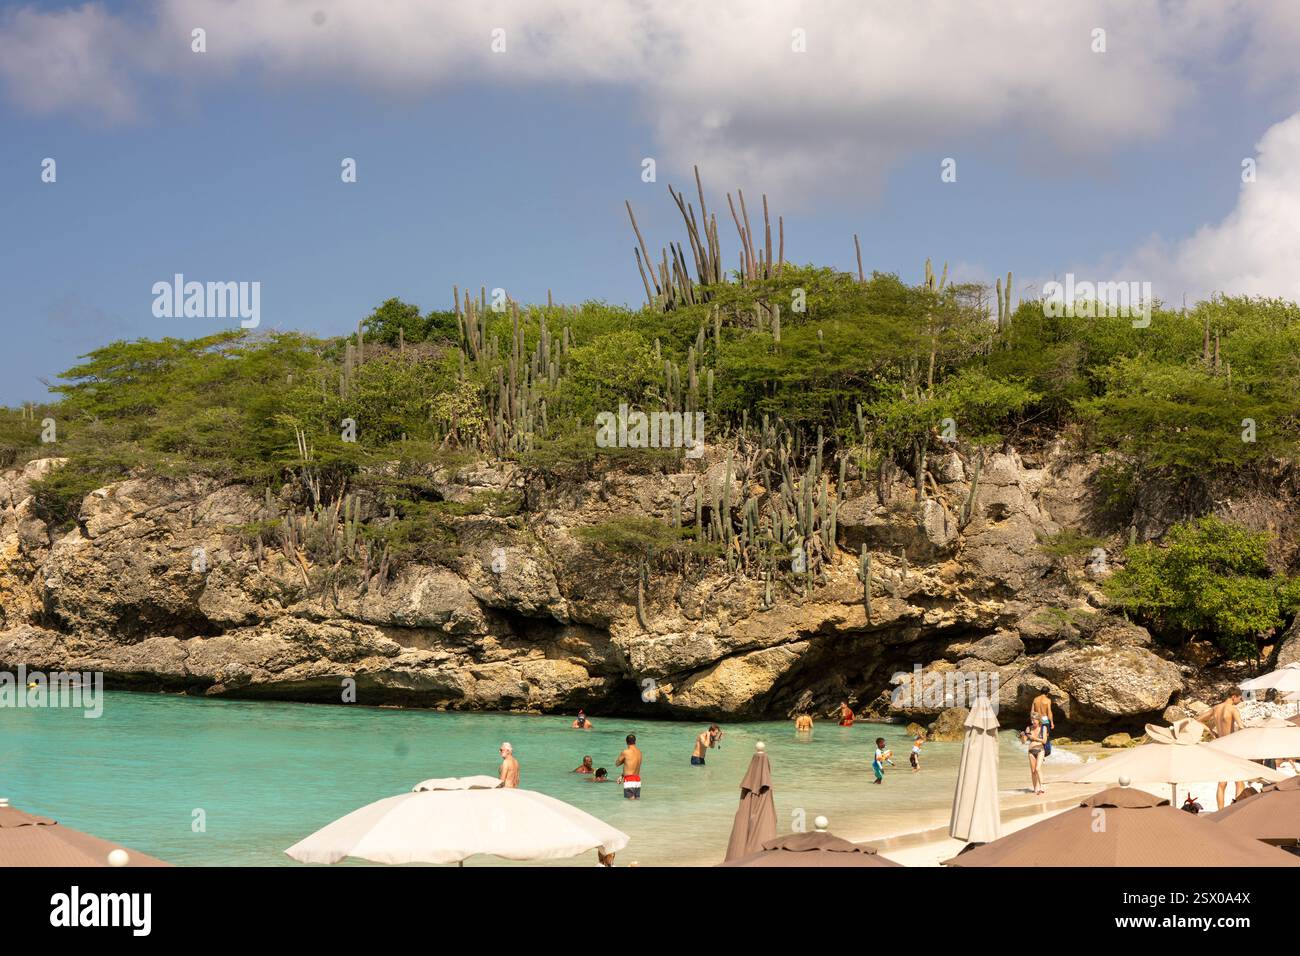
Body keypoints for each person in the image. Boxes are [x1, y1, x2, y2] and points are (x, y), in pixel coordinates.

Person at [1195, 691, 1246, 809]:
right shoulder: (1233, 709)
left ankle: (1220, 811)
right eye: (1240, 698)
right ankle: (1238, 809)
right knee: (1239, 780)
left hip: (1220, 745)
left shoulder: (1216, 708)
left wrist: (1212, 732)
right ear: (1234, 697)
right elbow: (1241, 727)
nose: (1240, 700)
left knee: (1222, 783)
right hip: (1232, 746)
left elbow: (1197, 720)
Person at [1020, 716, 1047, 795]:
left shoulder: (1043, 728)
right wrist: (1022, 736)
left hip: (1040, 750)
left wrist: (1033, 737)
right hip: (1031, 751)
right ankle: (1035, 788)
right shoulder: (1028, 728)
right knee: (1033, 771)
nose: (1033, 721)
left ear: (1039, 720)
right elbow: (1023, 742)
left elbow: (1044, 741)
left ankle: (1042, 786)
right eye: (1032, 720)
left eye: (1035, 720)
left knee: (1038, 768)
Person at [616, 733, 642, 799]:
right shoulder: (639, 752)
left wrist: (623, 760)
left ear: (626, 742)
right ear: (635, 741)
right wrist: (622, 776)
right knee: (636, 801)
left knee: (630, 803)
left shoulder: (625, 752)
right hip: (637, 779)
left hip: (629, 779)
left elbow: (617, 763)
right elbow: (631, 767)